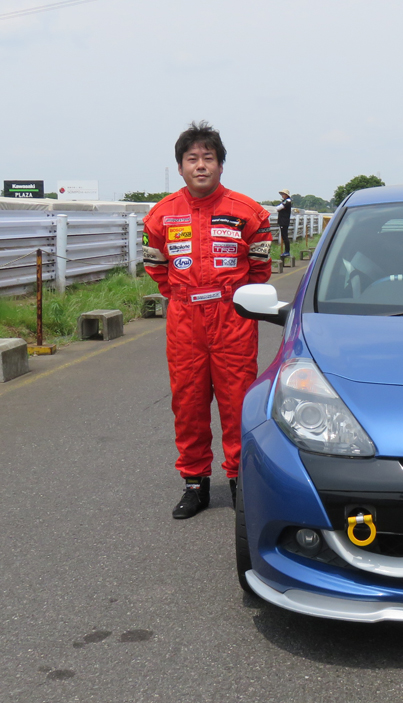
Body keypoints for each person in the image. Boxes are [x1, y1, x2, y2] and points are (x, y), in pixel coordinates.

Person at [142, 121, 274, 519]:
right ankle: (194, 483)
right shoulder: (160, 215)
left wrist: (233, 299)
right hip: (185, 319)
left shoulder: (248, 212)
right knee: (188, 402)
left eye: (208, 158)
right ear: (180, 167)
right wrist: (184, 297)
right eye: (192, 159)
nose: (201, 165)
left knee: (238, 401)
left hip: (232, 317)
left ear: (220, 165)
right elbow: (157, 268)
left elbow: (260, 268)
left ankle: (240, 480)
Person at [275, 189, 292, 260]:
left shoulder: (287, 201)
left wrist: (278, 208)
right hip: (283, 221)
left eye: (283, 194)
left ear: (286, 195)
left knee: (285, 236)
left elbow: (278, 208)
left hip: (284, 221)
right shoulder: (286, 201)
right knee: (284, 236)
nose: (282, 195)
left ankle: (287, 251)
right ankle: (286, 251)